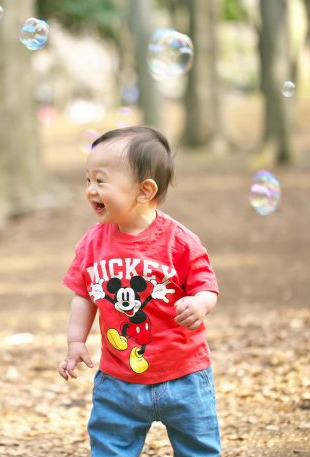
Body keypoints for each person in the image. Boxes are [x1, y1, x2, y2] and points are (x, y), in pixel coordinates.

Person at [58, 126, 221, 457]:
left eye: (101, 181)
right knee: (110, 448)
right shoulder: (92, 243)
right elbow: (83, 294)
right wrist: (76, 341)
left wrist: (199, 304)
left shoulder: (180, 241)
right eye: (87, 180)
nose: (91, 190)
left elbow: (207, 286)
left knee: (199, 450)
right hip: (118, 381)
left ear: (145, 190)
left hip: (184, 376)